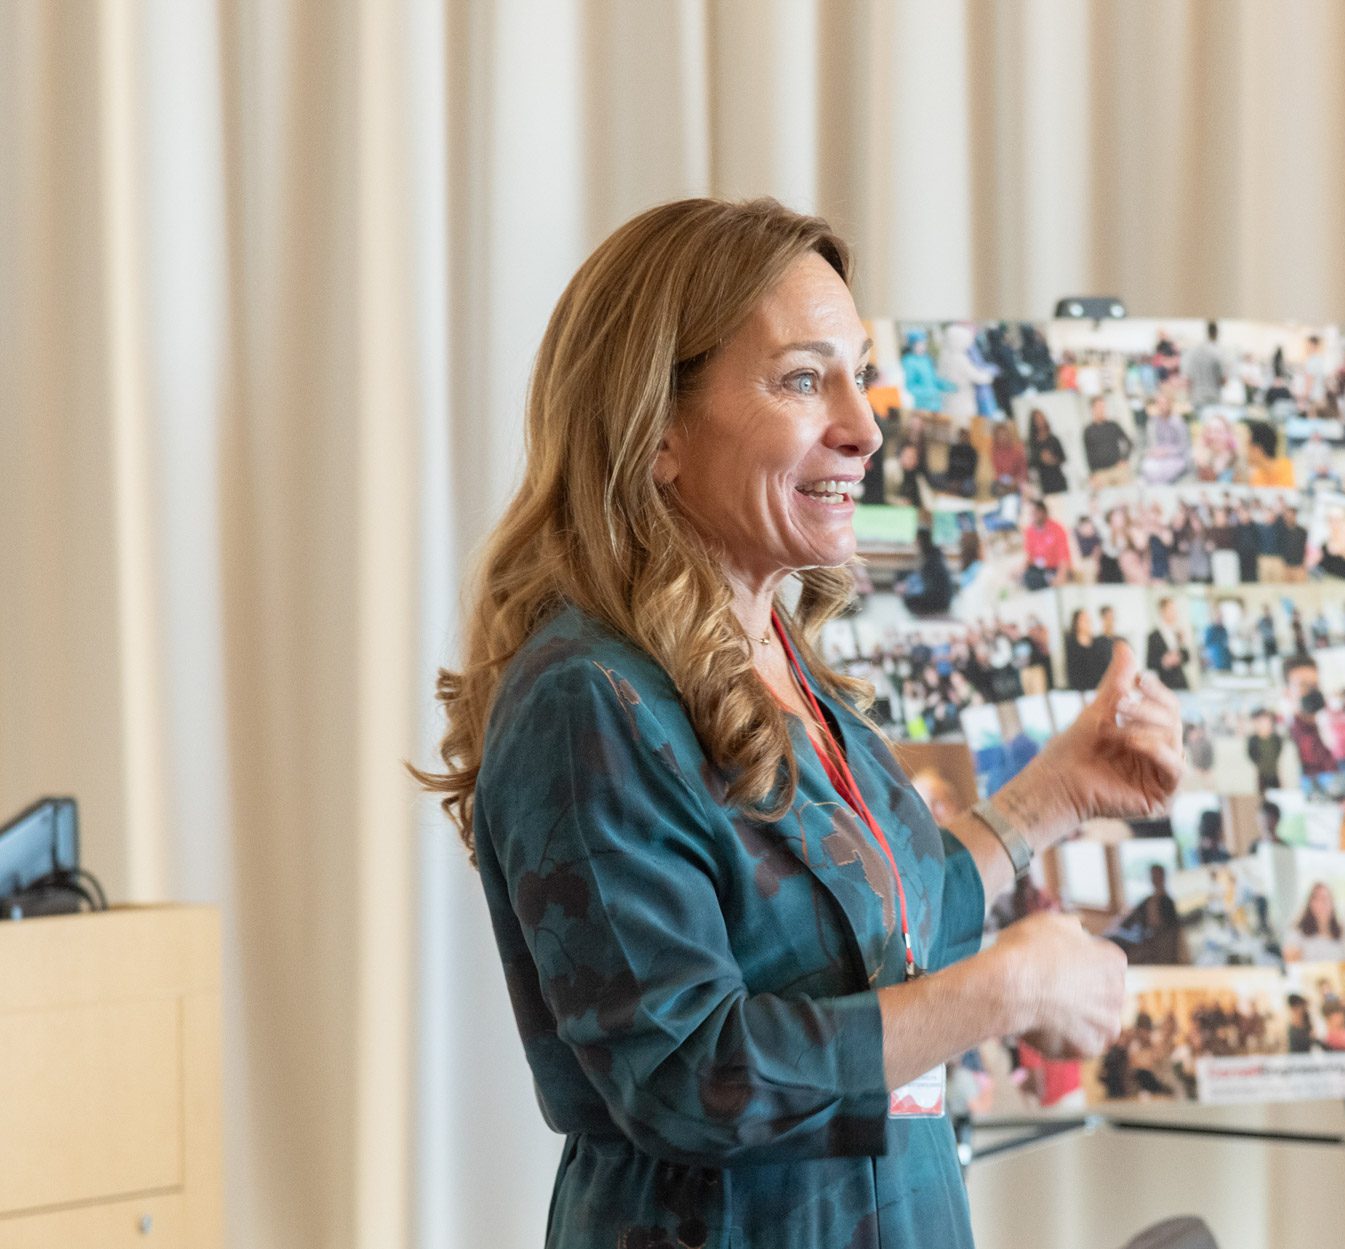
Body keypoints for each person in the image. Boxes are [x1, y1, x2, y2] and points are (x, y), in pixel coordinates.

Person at [415, 198, 1187, 1249]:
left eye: (858, 374)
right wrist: (1001, 992)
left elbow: (885, 935)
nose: (865, 427)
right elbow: (688, 1075)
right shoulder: (589, 698)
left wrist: (1054, 794)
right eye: (801, 379)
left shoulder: (778, 656)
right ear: (658, 430)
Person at [1111, 864, 1186, 965]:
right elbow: (1130, 919)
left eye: (1157, 876)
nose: (1154, 879)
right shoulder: (1148, 900)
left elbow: (1172, 926)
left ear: (1163, 877)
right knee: (1113, 938)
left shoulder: (1168, 902)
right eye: (1153, 876)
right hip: (1142, 937)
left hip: (1155, 941)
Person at [1284, 882, 1345, 963]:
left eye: (1324, 899)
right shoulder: (1297, 932)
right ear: (1309, 903)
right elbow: (1291, 961)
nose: (1320, 904)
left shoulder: (1340, 932)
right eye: (1315, 899)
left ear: (1332, 903)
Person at [1082, 394, 1134, 486]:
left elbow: (1129, 443)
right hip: (1101, 474)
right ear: (1092, 409)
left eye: (1103, 407)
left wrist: (1124, 459)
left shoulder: (1113, 425)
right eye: (1099, 407)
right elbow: (1088, 454)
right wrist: (1092, 474)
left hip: (1118, 470)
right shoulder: (1088, 431)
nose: (1101, 410)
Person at [1020, 498, 1072, 590]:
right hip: (1039, 569)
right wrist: (1020, 570)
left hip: (1055, 568)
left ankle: (1050, 581)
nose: (1031, 516)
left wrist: (1061, 577)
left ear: (1042, 512)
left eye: (1034, 513)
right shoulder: (1029, 531)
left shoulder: (1057, 529)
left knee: (1035, 579)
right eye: (1030, 514)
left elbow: (1064, 557)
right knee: (1027, 577)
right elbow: (1029, 556)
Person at [1146, 596, 1193, 690]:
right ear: (1162, 611)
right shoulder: (1153, 636)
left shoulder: (1178, 632)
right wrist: (1164, 662)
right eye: (1171, 609)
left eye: (1175, 610)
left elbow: (1187, 657)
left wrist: (1180, 652)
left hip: (1182, 683)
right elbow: (1149, 663)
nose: (1175, 613)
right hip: (1165, 685)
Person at [1026, 407, 1069, 496]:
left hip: (1058, 479)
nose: (1040, 421)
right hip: (1043, 482)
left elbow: (1063, 457)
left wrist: (1052, 459)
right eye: (1037, 419)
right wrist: (1041, 458)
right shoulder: (1032, 443)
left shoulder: (1054, 439)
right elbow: (1030, 463)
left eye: (1041, 418)